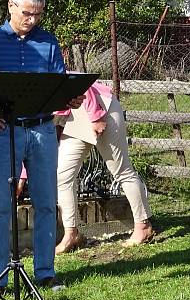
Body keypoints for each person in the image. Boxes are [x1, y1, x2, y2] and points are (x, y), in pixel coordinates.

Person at [0, 0, 83, 295]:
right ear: (11, 7)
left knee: (45, 204)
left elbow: (57, 84)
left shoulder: (48, 41)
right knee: (0, 206)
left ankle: (45, 272)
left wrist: (69, 99)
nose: (32, 20)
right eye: (27, 13)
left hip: (42, 130)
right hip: (5, 132)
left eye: (38, 14)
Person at [55, 79, 154, 253]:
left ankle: (143, 227)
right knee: (62, 176)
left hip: (99, 107)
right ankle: (72, 234)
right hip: (75, 117)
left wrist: (96, 117)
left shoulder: (47, 66)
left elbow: (84, 85)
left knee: (122, 171)